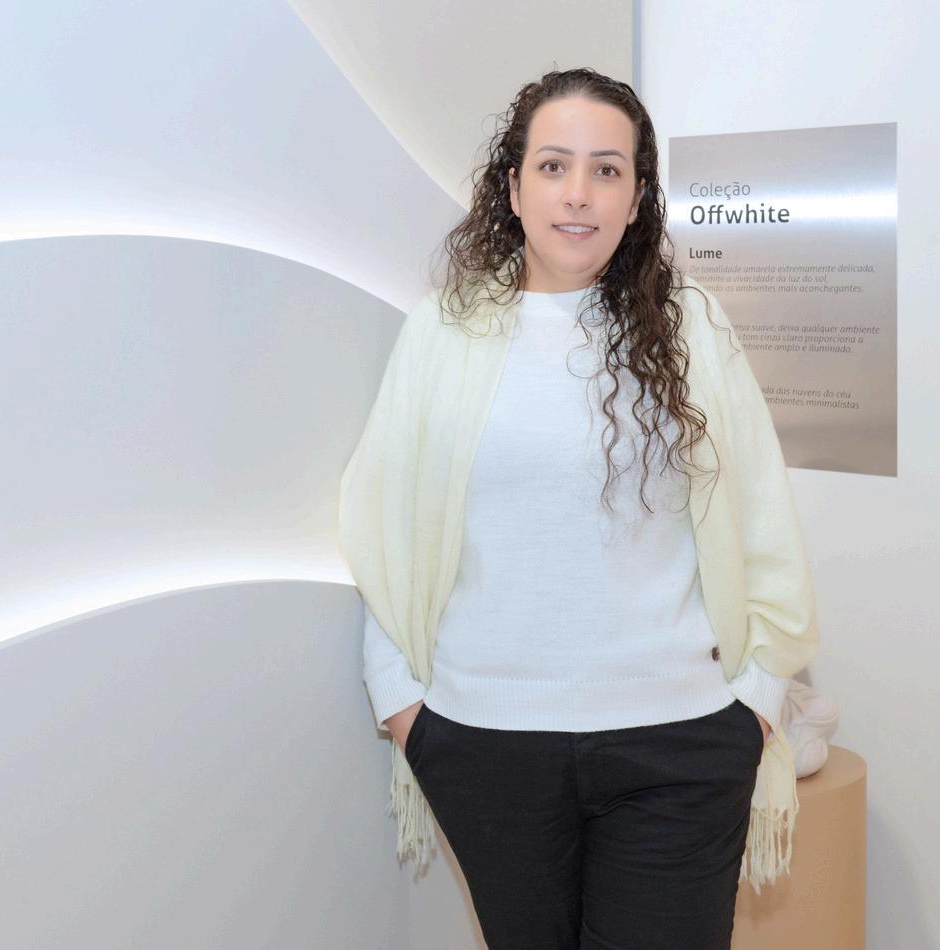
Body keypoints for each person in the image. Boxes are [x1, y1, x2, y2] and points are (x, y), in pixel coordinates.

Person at [339, 67, 819, 949]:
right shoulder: (442, 331)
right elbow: (383, 525)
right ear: (512, 185)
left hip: (680, 742)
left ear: (637, 199)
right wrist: (402, 703)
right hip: (485, 743)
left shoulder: (693, 326)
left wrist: (754, 702)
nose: (578, 194)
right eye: (554, 165)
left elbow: (762, 515)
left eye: (607, 170)